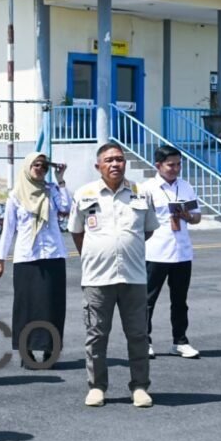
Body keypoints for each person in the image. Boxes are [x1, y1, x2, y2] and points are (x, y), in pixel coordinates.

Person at [68, 142, 158, 409]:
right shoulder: (84, 194)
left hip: (133, 277)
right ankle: (97, 387)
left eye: (119, 159)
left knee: (138, 334)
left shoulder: (141, 193)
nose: (115, 164)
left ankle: (140, 387)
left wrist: (125, 246)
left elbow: (148, 230)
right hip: (97, 278)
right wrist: (97, 252)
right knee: (96, 335)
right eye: (108, 160)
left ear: (125, 163)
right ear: (98, 166)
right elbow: (77, 231)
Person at [0, 152, 69, 367]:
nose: (40, 170)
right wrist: (0, 261)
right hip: (27, 258)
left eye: (44, 166)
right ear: (27, 167)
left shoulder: (51, 190)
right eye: (36, 165)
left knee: (53, 306)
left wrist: (60, 179)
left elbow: (66, 208)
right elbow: (8, 231)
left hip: (53, 255)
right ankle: (26, 352)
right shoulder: (16, 195)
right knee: (27, 308)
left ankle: (50, 351)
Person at [142, 145, 202, 359]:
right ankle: (144, 340)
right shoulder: (146, 188)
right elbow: (139, 219)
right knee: (148, 299)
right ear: (158, 165)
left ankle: (180, 341)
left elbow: (197, 217)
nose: (175, 169)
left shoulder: (185, 187)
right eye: (171, 165)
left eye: (178, 164)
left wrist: (186, 215)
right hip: (155, 251)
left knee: (180, 300)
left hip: (181, 252)